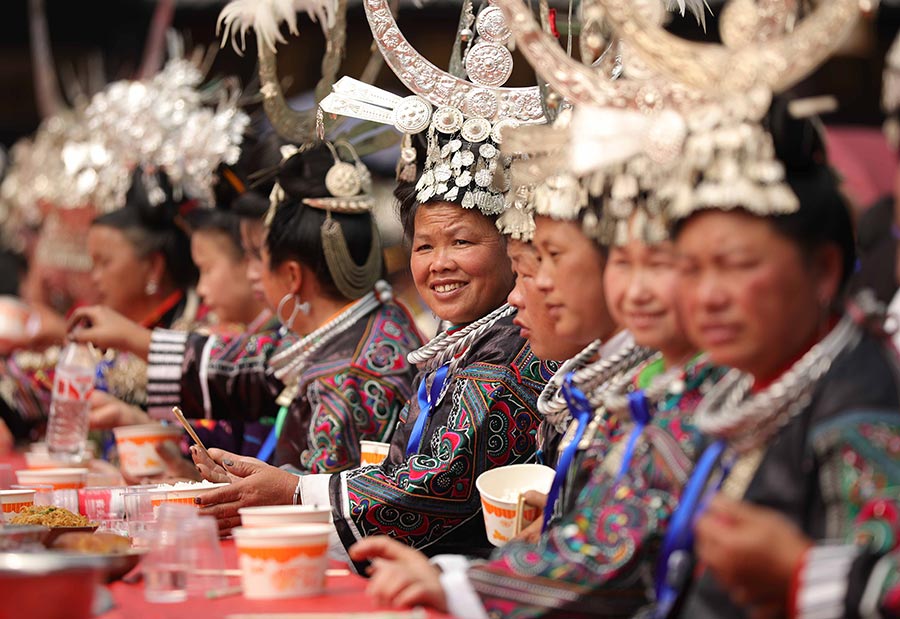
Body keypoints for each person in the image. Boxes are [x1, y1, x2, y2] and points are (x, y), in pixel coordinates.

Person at [347, 163, 725, 616]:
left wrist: (463, 586)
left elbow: (619, 550)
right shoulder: (611, 386)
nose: (533, 288)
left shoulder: (678, 397)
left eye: (550, 260)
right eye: (424, 245)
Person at [664, 107, 900, 619]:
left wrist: (799, 570)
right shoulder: (750, 381)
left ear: (823, 270)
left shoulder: (861, 404)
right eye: (689, 269)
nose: (707, 298)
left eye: (737, 266)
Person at [73, 143, 423, 470]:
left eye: (258, 256)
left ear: (291, 276)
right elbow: (246, 365)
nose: (253, 272)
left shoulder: (354, 374)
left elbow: (320, 503)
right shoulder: (355, 328)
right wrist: (132, 337)